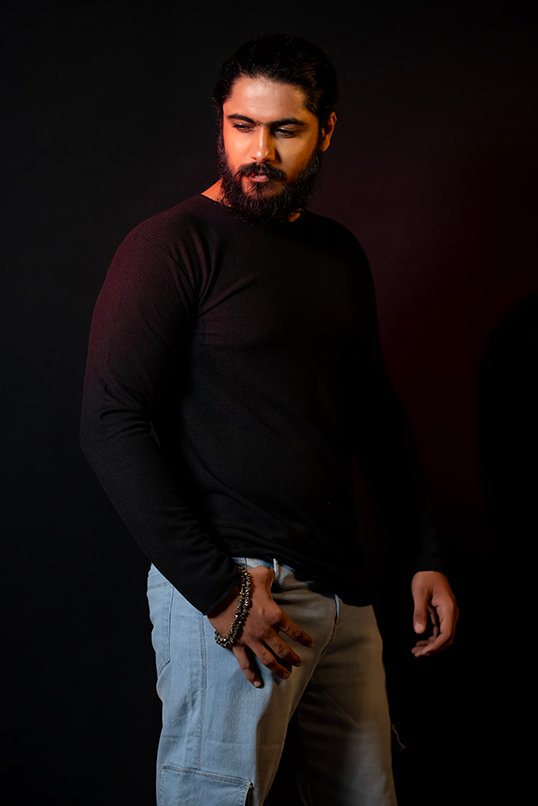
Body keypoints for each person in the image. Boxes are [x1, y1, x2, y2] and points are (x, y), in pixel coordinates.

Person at [79, 32, 459, 806]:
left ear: (326, 130)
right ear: (220, 123)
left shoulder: (337, 253)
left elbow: (373, 410)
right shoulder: (172, 246)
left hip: (342, 593)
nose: (258, 151)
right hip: (238, 587)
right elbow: (111, 421)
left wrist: (422, 551)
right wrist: (218, 592)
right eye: (241, 125)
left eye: (284, 130)